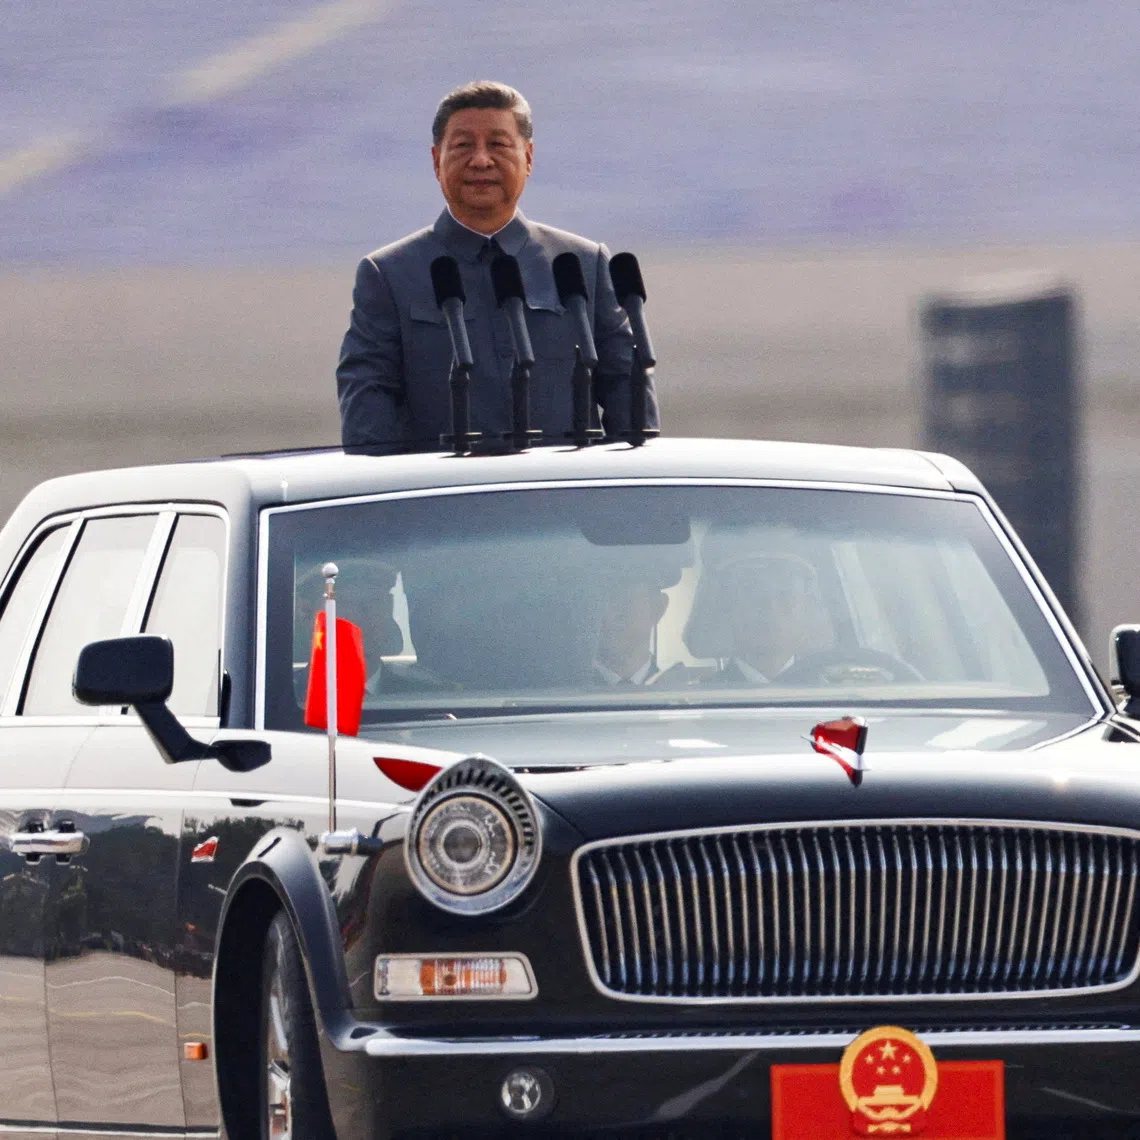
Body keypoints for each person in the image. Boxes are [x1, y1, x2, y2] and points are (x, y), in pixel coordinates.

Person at [337, 80, 660, 452]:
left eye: (498, 144)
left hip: (563, 497)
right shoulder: (390, 274)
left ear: (529, 157)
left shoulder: (583, 265)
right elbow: (368, 405)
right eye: (461, 146)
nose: (480, 160)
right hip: (447, 501)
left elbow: (628, 397)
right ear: (435, 160)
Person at [684, 542, 827, 684]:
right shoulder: (695, 700)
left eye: (785, 594)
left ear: (807, 607)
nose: (771, 608)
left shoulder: (838, 695)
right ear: (726, 605)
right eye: (753, 592)